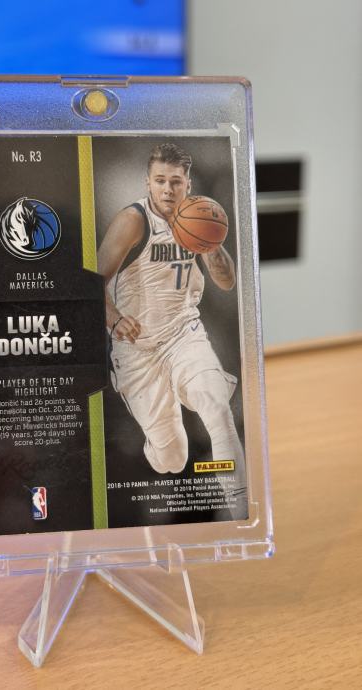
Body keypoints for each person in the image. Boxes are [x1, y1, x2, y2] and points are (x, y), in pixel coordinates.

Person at [97, 143, 246, 515]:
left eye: (175, 182)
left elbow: (227, 282)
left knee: (216, 407)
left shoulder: (197, 214)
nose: (168, 189)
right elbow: (91, 283)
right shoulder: (132, 220)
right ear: (147, 183)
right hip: (139, 347)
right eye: (160, 181)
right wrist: (115, 319)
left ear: (187, 184)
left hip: (183, 334)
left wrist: (212, 244)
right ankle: (162, 452)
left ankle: (242, 511)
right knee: (172, 458)